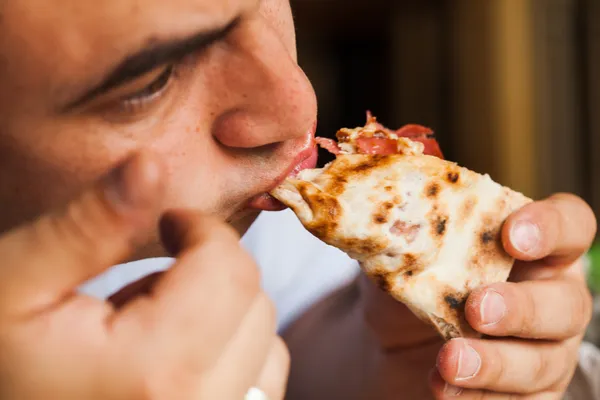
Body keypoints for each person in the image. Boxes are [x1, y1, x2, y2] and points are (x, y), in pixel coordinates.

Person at [0, 0, 598, 398]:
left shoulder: (248, 213)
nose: (297, 107)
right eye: (150, 81)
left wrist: (382, 364)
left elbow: (300, 324)